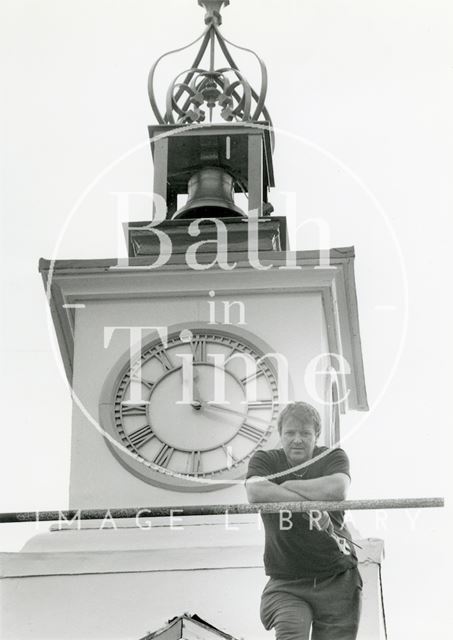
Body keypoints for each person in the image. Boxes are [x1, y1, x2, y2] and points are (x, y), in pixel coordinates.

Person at [245, 401, 362, 640]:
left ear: (316, 435)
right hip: (288, 582)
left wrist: (286, 486)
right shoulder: (265, 460)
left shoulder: (332, 456)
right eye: (290, 433)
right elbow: (256, 492)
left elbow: (338, 488)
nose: (297, 439)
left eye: (305, 433)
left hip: (337, 580)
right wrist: (310, 500)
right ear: (281, 435)